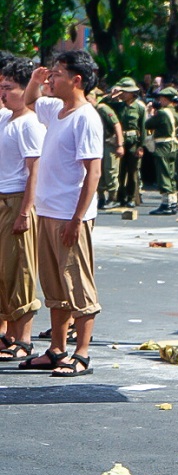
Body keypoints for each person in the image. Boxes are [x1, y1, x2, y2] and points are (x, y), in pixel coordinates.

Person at [18, 51, 103, 376]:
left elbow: (92, 173)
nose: (51, 79)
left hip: (70, 215)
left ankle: (81, 353)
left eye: (56, 74)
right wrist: (37, 82)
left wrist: (77, 219)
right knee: (54, 285)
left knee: (78, 284)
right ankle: (56, 348)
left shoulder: (86, 117)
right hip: (48, 212)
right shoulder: (56, 109)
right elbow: (30, 102)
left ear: (76, 80)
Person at [0, 57, 45, 362]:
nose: (4, 93)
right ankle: (10, 334)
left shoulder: (29, 123)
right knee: (4, 271)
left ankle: (24, 339)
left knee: (21, 270)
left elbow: (34, 172)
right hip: (3, 199)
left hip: (18, 200)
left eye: (9, 88)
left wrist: (25, 213)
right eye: (1, 87)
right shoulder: (6, 119)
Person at [109, 77, 145, 207]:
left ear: (132, 93)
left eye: (125, 91)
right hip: (121, 141)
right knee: (120, 171)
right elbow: (102, 105)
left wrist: (141, 146)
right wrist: (112, 95)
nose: (123, 94)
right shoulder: (119, 106)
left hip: (133, 142)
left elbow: (143, 128)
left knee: (132, 172)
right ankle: (120, 197)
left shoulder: (139, 108)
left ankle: (131, 197)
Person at [145, 87, 178, 215]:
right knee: (171, 175)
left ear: (165, 99)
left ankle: (166, 204)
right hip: (173, 145)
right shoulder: (176, 113)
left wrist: (150, 112)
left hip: (163, 145)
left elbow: (148, 124)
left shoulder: (163, 113)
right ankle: (173, 202)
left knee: (163, 175)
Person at [93, 88, 123, 210]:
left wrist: (120, 144)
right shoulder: (89, 110)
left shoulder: (103, 108)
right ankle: (101, 197)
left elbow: (116, 124)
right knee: (99, 171)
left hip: (109, 143)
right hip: (98, 143)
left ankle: (112, 198)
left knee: (110, 170)